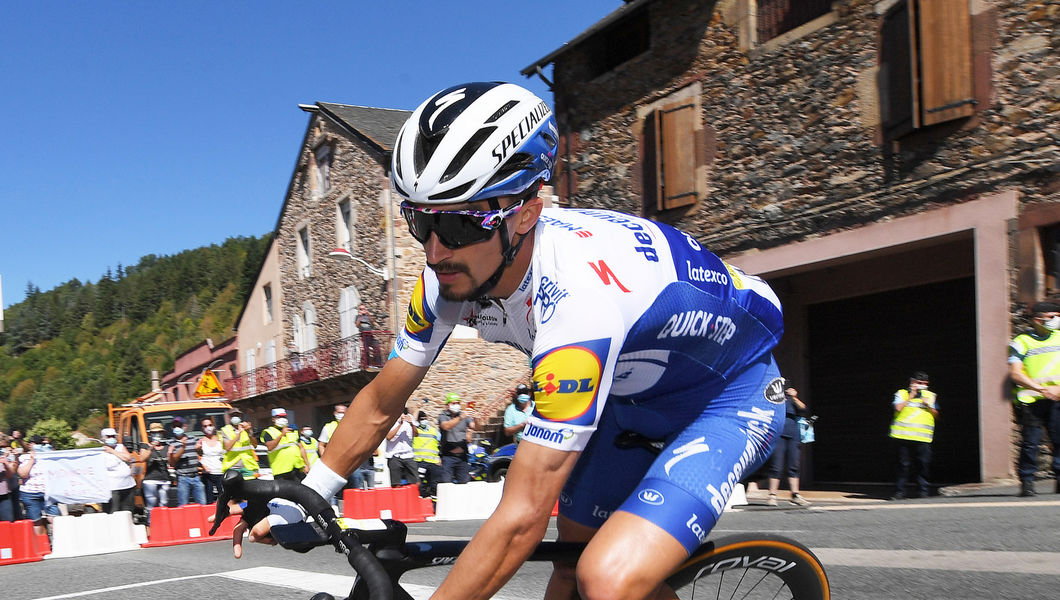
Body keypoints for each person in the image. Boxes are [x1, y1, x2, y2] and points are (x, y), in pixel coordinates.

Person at [226, 81, 785, 600]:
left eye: (462, 226)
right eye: (422, 222)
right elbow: (379, 401)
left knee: (606, 577)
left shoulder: (578, 304)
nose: (435, 250)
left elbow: (520, 518)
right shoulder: (446, 278)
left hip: (726, 400)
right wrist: (311, 492)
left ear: (526, 215)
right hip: (626, 398)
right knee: (571, 561)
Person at [1008, 300, 1060, 497]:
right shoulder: (1021, 342)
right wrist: (1042, 389)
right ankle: (1027, 482)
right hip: (1032, 401)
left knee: (1059, 440)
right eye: (1052, 317)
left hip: (1057, 399)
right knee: (1031, 443)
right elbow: (1015, 373)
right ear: (1038, 320)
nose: (1057, 320)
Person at [889, 371, 939, 500]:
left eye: (924, 384)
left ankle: (923, 492)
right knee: (903, 465)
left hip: (922, 437)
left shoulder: (930, 396)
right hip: (902, 436)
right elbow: (898, 408)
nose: (921, 385)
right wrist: (911, 396)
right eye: (918, 383)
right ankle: (900, 492)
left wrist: (927, 405)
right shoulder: (901, 393)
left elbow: (936, 415)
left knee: (923, 464)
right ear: (912, 382)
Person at [766, 382, 810, 506]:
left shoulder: (792, 400)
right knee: (776, 466)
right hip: (778, 435)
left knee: (793, 465)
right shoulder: (773, 399)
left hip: (793, 435)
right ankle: (772, 495)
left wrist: (794, 397)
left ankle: (795, 495)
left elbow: (803, 409)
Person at [438, 393, 482, 484]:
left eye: (458, 403)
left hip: (462, 457)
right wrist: (461, 417)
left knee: (464, 483)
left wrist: (476, 418)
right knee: (446, 483)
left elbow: (476, 428)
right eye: (453, 403)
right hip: (448, 456)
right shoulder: (443, 416)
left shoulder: (465, 416)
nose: (456, 405)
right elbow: (446, 426)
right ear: (448, 405)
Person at [260, 408, 307, 482]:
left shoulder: (292, 430)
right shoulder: (268, 432)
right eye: (279, 417)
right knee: (284, 493)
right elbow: (270, 447)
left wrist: (306, 464)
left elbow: (301, 448)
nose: (282, 419)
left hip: (297, 468)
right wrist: (282, 435)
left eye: (284, 417)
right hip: (281, 471)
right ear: (273, 419)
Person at [17, 436, 52, 534]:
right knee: (36, 521)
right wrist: (32, 460)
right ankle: (40, 544)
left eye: (38, 444)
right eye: (32, 443)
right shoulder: (24, 457)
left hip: (48, 492)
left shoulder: (49, 456)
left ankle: (57, 542)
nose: (34, 446)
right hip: (30, 493)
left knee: (53, 518)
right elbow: (23, 474)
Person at [168, 422, 206, 506]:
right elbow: (173, 461)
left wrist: (199, 449)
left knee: (202, 503)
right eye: (175, 426)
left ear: (184, 427)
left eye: (179, 426)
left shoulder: (192, 439)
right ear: (172, 428)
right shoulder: (171, 442)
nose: (177, 428)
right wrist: (183, 447)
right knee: (183, 504)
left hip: (196, 476)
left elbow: (201, 453)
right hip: (183, 478)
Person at [100, 428, 138, 513]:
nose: (112, 438)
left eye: (113, 436)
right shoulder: (100, 452)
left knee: (128, 511)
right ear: (103, 438)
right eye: (109, 436)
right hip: (113, 488)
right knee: (114, 511)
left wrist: (112, 451)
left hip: (128, 485)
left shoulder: (120, 447)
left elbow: (128, 458)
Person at [384, 408, 419, 487]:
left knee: (415, 482)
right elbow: (389, 437)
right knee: (396, 483)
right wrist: (400, 424)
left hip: (408, 455)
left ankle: (412, 496)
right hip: (394, 455)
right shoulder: (390, 423)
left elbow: (416, 434)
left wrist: (412, 424)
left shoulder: (409, 423)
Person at [141, 423, 173, 512]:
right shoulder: (145, 446)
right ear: (150, 434)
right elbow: (142, 458)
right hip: (150, 479)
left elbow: (171, 463)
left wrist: (170, 454)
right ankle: (150, 523)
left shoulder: (166, 446)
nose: (157, 434)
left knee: (164, 502)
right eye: (154, 433)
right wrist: (151, 447)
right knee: (151, 503)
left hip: (164, 478)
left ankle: (164, 522)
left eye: (159, 432)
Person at [220, 407, 259, 479]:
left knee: (249, 488)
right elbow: (228, 447)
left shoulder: (246, 428)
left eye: (237, 415)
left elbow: (255, 445)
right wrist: (239, 433)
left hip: (247, 466)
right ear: (229, 417)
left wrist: (249, 432)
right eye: (233, 415)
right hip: (233, 466)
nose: (235, 417)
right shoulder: (225, 430)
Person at [412, 410, 443, 498]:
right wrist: (416, 410)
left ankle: (434, 504)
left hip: (433, 462)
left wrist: (440, 457)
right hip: (420, 461)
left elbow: (440, 444)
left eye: (425, 419)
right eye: (422, 419)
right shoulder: (415, 431)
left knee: (434, 484)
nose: (424, 420)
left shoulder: (433, 431)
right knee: (420, 484)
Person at [199, 418, 225, 503]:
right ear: (202, 429)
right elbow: (197, 456)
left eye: (210, 425)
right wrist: (204, 466)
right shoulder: (201, 441)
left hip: (220, 471)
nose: (208, 428)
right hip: (208, 473)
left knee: (223, 495)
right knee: (209, 496)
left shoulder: (220, 439)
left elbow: (226, 453)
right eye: (205, 426)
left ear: (213, 426)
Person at [0, 446, 16, 521]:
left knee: (8, 521)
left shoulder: (2, 456)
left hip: (4, 494)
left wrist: (5, 465)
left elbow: (10, 475)